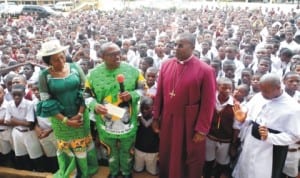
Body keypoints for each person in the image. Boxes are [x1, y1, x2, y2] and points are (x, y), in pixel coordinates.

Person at [152, 32, 216, 178]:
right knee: (167, 152)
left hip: (189, 123)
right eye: (175, 45)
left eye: (180, 45)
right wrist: (156, 117)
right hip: (168, 120)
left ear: (192, 47)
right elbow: (160, 94)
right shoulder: (166, 65)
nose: (175, 48)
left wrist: (202, 130)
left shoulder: (205, 70)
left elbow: (208, 103)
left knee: (189, 157)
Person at [36, 39, 98, 178]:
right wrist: (66, 120)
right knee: (67, 146)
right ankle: (72, 173)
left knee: (82, 143)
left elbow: (85, 90)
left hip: (81, 115)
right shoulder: (44, 76)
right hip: (60, 120)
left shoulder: (75, 67)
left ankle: (86, 171)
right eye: (56, 59)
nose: (61, 61)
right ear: (48, 61)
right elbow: (46, 101)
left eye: (62, 56)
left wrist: (80, 113)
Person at [85, 42, 145, 178]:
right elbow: (86, 95)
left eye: (119, 53)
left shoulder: (133, 71)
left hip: (127, 122)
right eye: (112, 54)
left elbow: (143, 89)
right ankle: (113, 172)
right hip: (106, 123)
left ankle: (126, 172)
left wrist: (133, 95)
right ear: (102, 56)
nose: (117, 56)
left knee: (127, 150)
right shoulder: (93, 75)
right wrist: (94, 105)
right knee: (110, 150)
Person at [232, 73, 300, 178]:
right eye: (261, 90)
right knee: (244, 170)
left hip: (271, 149)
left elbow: (294, 136)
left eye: (266, 91)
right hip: (251, 142)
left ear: (278, 88)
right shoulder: (260, 96)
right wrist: (243, 118)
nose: (262, 94)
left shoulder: (293, 108)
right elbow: (249, 113)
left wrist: (270, 137)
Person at [203, 77, 239, 178]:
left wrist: (233, 144)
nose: (227, 91)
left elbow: (236, 127)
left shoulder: (235, 105)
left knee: (221, 163)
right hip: (210, 137)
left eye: (230, 88)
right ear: (217, 87)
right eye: (224, 88)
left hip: (225, 140)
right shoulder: (210, 99)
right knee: (208, 161)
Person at [4, 84, 44, 171]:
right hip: (17, 133)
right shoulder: (9, 105)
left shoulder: (29, 104)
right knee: (22, 156)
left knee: (36, 156)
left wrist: (14, 121)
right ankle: (28, 172)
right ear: (11, 94)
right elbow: (7, 121)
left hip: (29, 133)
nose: (17, 97)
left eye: (19, 94)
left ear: (24, 94)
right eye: (14, 94)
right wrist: (22, 122)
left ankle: (38, 172)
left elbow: (29, 123)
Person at [134, 96, 159, 176]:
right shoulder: (137, 119)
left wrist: (157, 130)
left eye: (147, 108)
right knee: (138, 169)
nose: (144, 110)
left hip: (152, 150)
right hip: (139, 149)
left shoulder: (157, 120)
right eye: (142, 108)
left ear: (153, 108)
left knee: (152, 171)